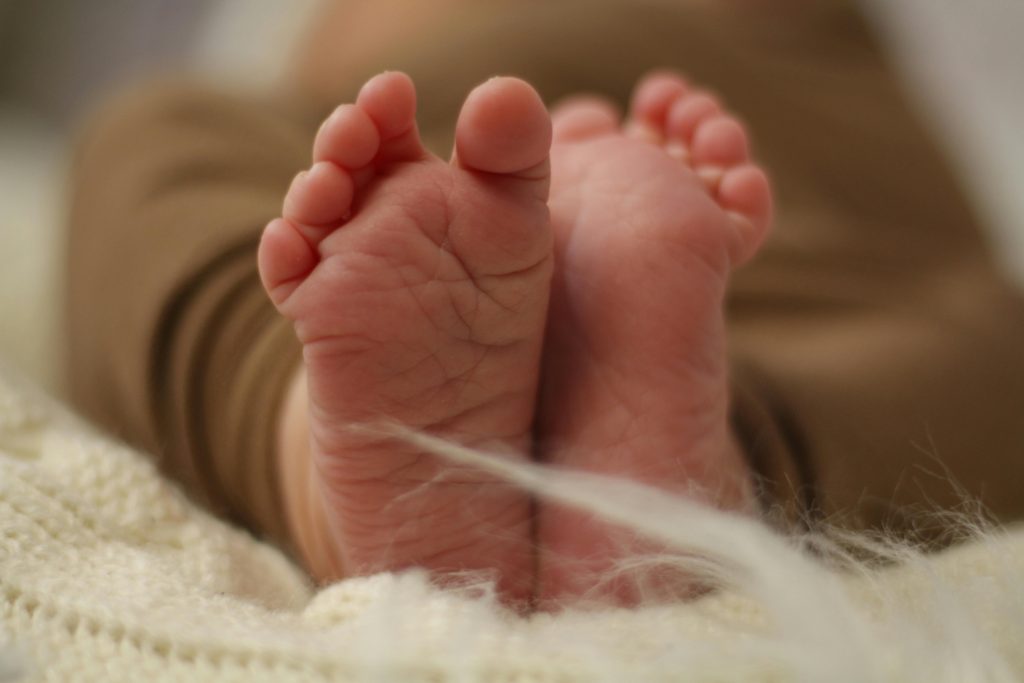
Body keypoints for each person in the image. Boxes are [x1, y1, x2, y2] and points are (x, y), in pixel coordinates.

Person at [65, 0, 1024, 609]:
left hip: (761, 168)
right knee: (165, 129)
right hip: (465, 194)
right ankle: (714, 466)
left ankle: (306, 427)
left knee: (147, 142)